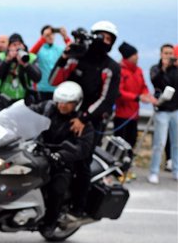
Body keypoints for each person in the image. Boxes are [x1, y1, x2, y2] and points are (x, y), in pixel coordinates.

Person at [49, 20, 121, 216]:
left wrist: (84, 117)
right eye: (102, 36)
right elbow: (54, 80)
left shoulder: (111, 67)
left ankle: (78, 208)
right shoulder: (77, 56)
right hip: (62, 113)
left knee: (81, 162)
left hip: (90, 121)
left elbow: (107, 99)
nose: (104, 41)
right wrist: (64, 56)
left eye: (109, 39)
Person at [29, 81, 94, 236]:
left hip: (62, 162)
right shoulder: (47, 108)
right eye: (60, 101)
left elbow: (82, 148)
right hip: (39, 151)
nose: (62, 105)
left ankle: (50, 222)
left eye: (68, 103)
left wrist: (61, 155)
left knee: (57, 188)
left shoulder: (81, 123)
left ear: (77, 104)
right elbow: (30, 112)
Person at [114, 41, 157, 181]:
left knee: (131, 143)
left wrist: (146, 95)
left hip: (134, 114)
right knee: (121, 144)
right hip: (122, 114)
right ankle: (117, 171)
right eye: (135, 54)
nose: (138, 56)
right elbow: (119, 92)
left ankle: (127, 169)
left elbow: (143, 86)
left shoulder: (138, 70)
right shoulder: (120, 70)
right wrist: (137, 97)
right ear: (128, 57)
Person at [148, 43, 178, 184]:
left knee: (176, 143)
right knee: (159, 143)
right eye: (166, 53)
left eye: (171, 53)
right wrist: (164, 69)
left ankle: (176, 170)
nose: (168, 56)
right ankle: (154, 171)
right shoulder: (155, 69)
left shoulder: (176, 69)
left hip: (175, 110)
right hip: (162, 111)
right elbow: (156, 82)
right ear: (161, 54)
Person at [0, 33, 42, 110]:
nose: (17, 47)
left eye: (19, 45)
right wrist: (7, 60)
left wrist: (26, 64)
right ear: (9, 47)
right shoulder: (2, 56)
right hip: (5, 99)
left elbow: (37, 78)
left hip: (23, 99)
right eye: (14, 45)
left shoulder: (31, 57)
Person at [30, 25, 71, 101]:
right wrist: (42, 39)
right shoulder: (39, 49)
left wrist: (65, 37)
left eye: (52, 34)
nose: (50, 37)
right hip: (41, 89)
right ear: (43, 36)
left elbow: (73, 50)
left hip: (57, 89)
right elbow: (29, 56)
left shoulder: (60, 49)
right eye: (47, 35)